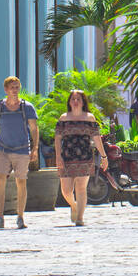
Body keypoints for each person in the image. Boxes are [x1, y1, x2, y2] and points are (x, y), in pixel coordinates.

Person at [0, 76, 39, 228]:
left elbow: (34, 129)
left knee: (21, 181)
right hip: (3, 149)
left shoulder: (27, 107)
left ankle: (20, 216)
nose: (15, 90)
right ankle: (0, 217)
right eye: (12, 87)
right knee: (0, 180)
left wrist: (34, 148)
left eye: (17, 87)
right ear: (6, 90)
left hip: (22, 149)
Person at [54, 89, 107, 226]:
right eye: (73, 99)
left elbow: (96, 138)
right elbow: (58, 139)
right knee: (66, 190)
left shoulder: (90, 118)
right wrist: (58, 157)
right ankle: (74, 205)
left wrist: (104, 156)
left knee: (81, 188)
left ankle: (80, 218)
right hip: (66, 157)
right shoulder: (63, 118)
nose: (76, 101)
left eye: (78, 99)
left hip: (85, 157)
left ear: (83, 102)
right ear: (69, 102)